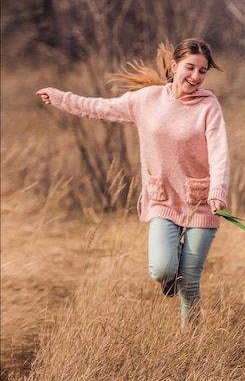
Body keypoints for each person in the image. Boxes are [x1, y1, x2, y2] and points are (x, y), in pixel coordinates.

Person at [37, 38, 230, 330]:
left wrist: (218, 192)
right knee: (162, 270)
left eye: (202, 71)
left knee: (190, 281)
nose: (195, 76)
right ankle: (172, 268)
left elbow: (219, 151)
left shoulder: (208, 106)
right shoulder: (146, 100)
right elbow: (98, 107)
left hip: (201, 202)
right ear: (175, 66)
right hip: (162, 200)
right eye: (190, 68)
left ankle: (193, 340)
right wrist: (60, 97)